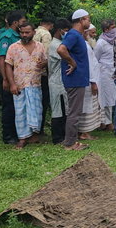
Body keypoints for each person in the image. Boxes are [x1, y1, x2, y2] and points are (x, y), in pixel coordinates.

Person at [5, 22, 47, 149]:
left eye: (27, 32)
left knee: (36, 111)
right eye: (22, 32)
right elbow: (8, 65)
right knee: (20, 113)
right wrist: (12, 84)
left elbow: (44, 60)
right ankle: (22, 139)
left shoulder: (40, 46)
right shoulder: (13, 47)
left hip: (35, 85)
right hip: (20, 85)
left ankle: (33, 136)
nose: (24, 35)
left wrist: (44, 63)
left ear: (33, 32)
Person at [57, 9, 91, 151]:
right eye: (88, 19)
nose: (89, 21)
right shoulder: (73, 35)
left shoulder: (78, 35)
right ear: (81, 20)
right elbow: (61, 49)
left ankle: (72, 140)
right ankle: (70, 143)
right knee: (74, 112)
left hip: (79, 79)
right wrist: (73, 63)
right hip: (75, 79)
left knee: (75, 111)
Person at [0, 10, 27, 145]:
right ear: (16, 23)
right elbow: (2, 59)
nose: (24, 23)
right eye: (22, 21)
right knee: (9, 107)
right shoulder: (7, 37)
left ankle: (18, 132)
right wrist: (5, 79)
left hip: (19, 77)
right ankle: (8, 135)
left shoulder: (20, 36)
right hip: (9, 78)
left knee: (18, 107)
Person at [48, 18, 71, 144]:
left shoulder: (59, 43)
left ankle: (64, 135)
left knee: (64, 109)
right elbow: (67, 56)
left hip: (61, 81)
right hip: (57, 81)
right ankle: (58, 138)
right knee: (59, 110)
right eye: (66, 31)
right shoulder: (55, 45)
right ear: (59, 31)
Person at [77, 24, 102, 139]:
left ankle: (83, 131)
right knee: (87, 106)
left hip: (88, 79)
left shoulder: (85, 45)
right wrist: (93, 82)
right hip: (89, 81)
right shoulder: (85, 46)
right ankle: (84, 132)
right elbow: (89, 65)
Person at [95, 19, 116, 131]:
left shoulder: (113, 41)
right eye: (112, 28)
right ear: (106, 29)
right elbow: (96, 59)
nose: (115, 30)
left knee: (112, 97)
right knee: (106, 99)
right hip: (104, 74)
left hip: (113, 72)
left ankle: (107, 121)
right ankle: (107, 123)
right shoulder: (100, 43)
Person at [33, 16, 54, 136]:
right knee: (43, 101)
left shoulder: (34, 32)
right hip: (43, 73)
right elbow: (46, 56)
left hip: (32, 72)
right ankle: (39, 129)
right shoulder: (46, 35)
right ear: (51, 26)